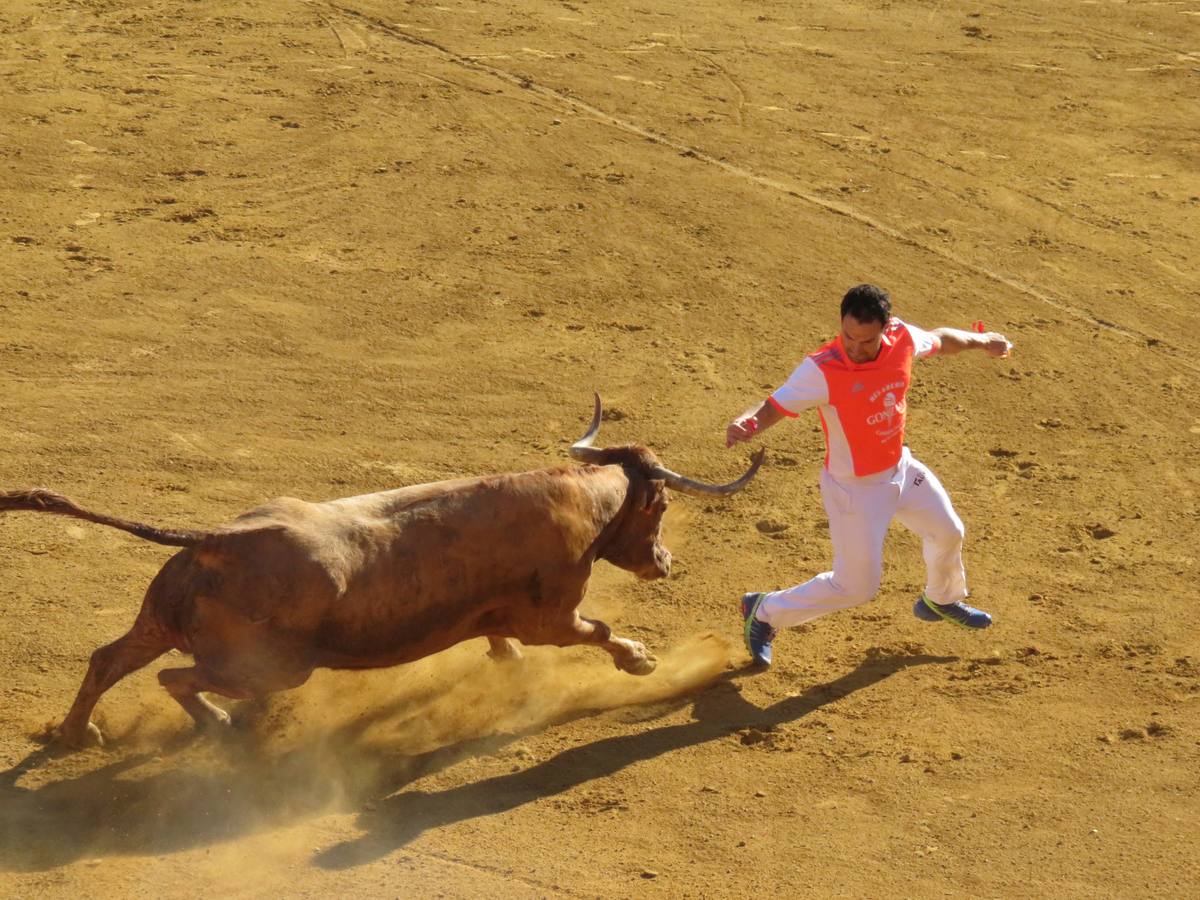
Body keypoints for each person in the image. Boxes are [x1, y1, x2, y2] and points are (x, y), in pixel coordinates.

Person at [726, 283, 1013, 667]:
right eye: (849, 337)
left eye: (867, 340)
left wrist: (983, 340)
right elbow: (776, 404)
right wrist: (750, 423)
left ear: (886, 328)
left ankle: (941, 599)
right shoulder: (822, 368)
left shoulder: (903, 338)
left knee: (949, 531)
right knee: (855, 588)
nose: (856, 348)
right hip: (854, 491)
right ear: (840, 325)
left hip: (900, 468)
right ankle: (764, 610)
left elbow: (943, 339)